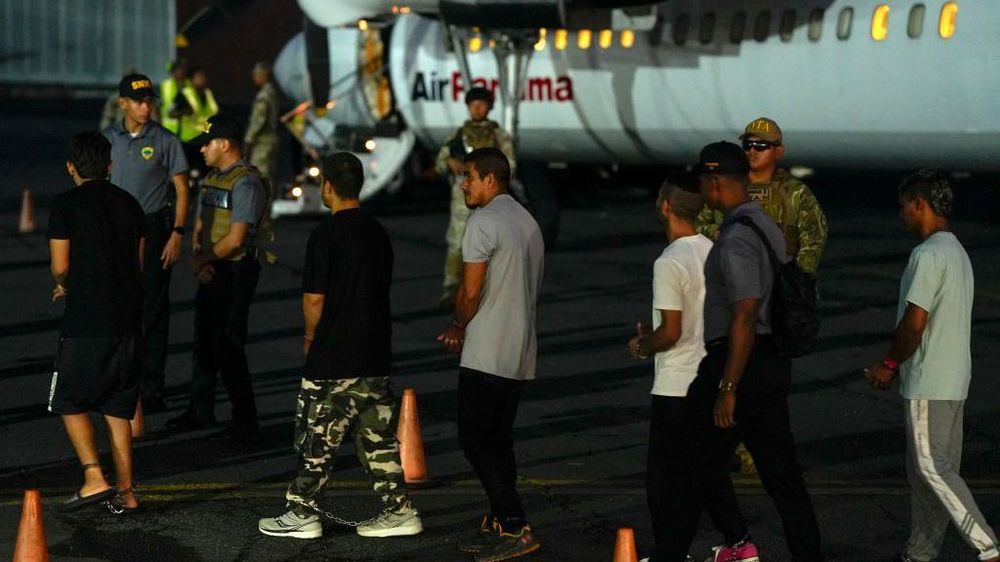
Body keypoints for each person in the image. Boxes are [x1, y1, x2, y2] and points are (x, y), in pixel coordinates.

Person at [258, 152, 422, 540]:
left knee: (316, 437)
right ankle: (399, 510)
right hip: (375, 353)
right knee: (377, 440)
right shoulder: (378, 232)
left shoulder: (326, 234)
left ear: (327, 186)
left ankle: (302, 512)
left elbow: (314, 299)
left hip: (335, 356)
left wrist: (310, 337)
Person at [677, 142, 823, 562]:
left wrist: (728, 387)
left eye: (703, 182)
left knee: (691, 461)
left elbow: (744, 313)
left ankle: (714, 545)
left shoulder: (737, 237)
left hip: (741, 361)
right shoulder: (763, 223)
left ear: (715, 183)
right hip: (770, 360)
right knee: (782, 476)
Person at [866, 171, 998, 562]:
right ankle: (920, 553)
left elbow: (915, 323)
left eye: (903, 206)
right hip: (954, 382)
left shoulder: (927, 255)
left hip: (929, 382)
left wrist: (889, 364)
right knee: (928, 478)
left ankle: (988, 547)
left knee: (932, 469)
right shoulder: (957, 252)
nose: (901, 214)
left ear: (919, 204)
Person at [697, 117, 828, 479]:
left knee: (765, 382)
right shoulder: (729, 189)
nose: (752, 151)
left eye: (761, 146)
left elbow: (815, 237)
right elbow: (703, 224)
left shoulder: (794, 193)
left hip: (775, 302)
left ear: (778, 151)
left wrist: (792, 279)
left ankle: (757, 452)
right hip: (735, 292)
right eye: (748, 145)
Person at [437, 147, 543, 562]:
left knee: (476, 439)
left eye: (469, 176)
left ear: (490, 180)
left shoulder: (483, 221)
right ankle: (499, 520)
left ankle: (514, 524)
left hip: (487, 349)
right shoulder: (527, 221)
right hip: (520, 348)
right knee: (498, 441)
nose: (463, 184)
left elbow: (470, 290)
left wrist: (457, 325)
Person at [627, 175, 725, 562]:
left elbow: (670, 332)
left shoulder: (669, 261)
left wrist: (642, 345)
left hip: (676, 383)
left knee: (662, 482)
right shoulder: (712, 251)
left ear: (665, 205)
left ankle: (669, 554)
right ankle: (738, 543)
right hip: (709, 376)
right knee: (701, 473)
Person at [47, 132, 145, 513]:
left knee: (68, 400)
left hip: (86, 320)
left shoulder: (65, 206)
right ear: (110, 166)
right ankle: (126, 491)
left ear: (71, 167)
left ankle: (93, 476)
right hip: (128, 320)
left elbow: (61, 265)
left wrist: (64, 285)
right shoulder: (130, 204)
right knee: (118, 408)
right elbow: (137, 264)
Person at [165, 116, 267, 442]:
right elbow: (201, 225)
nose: (202, 149)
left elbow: (236, 239)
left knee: (229, 346)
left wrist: (202, 259)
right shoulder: (213, 179)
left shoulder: (246, 183)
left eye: (207, 143)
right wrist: (201, 258)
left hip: (235, 271)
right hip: (213, 268)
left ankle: (245, 421)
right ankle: (200, 410)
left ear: (224, 145)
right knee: (204, 343)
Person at [102, 73, 190, 416]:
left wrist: (177, 233)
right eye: (138, 101)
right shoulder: (108, 139)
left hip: (154, 229)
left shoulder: (165, 140)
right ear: (123, 103)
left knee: (153, 309)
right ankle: (118, 381)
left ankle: (152, 387)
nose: (145, 106)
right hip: (118, 231)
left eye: (149, 100)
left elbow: (181, 188)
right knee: (117, 308)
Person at [433, 87, 516, 309]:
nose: (478, 108)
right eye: (474, 104)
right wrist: (449, 162)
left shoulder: (498, 136)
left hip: (490, 199)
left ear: (489, 107)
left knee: (491, 245)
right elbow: (440, 163)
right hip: (462, 197)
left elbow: (510, 166)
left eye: (482, 104)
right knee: (457, 243)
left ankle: (488, 291)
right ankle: (452, 288)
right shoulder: (457, 136)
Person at [244, 61, 281, 188]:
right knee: (268, 175)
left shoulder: (264, 96)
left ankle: (262, 200)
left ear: (264, 75)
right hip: (270, 140)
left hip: (263, 142)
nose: (254, 78)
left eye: (256, 74)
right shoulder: (272, 92)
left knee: (259, 174)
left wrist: (248, 139)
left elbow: (258, 120)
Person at [160, 59, 190, 136]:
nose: (180, 72)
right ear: (172, 72)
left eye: (182, 69)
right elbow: (160, 106)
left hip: (188, 129)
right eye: (177, 70)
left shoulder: (190, 85)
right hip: (169, 127)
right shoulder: (166, 85)